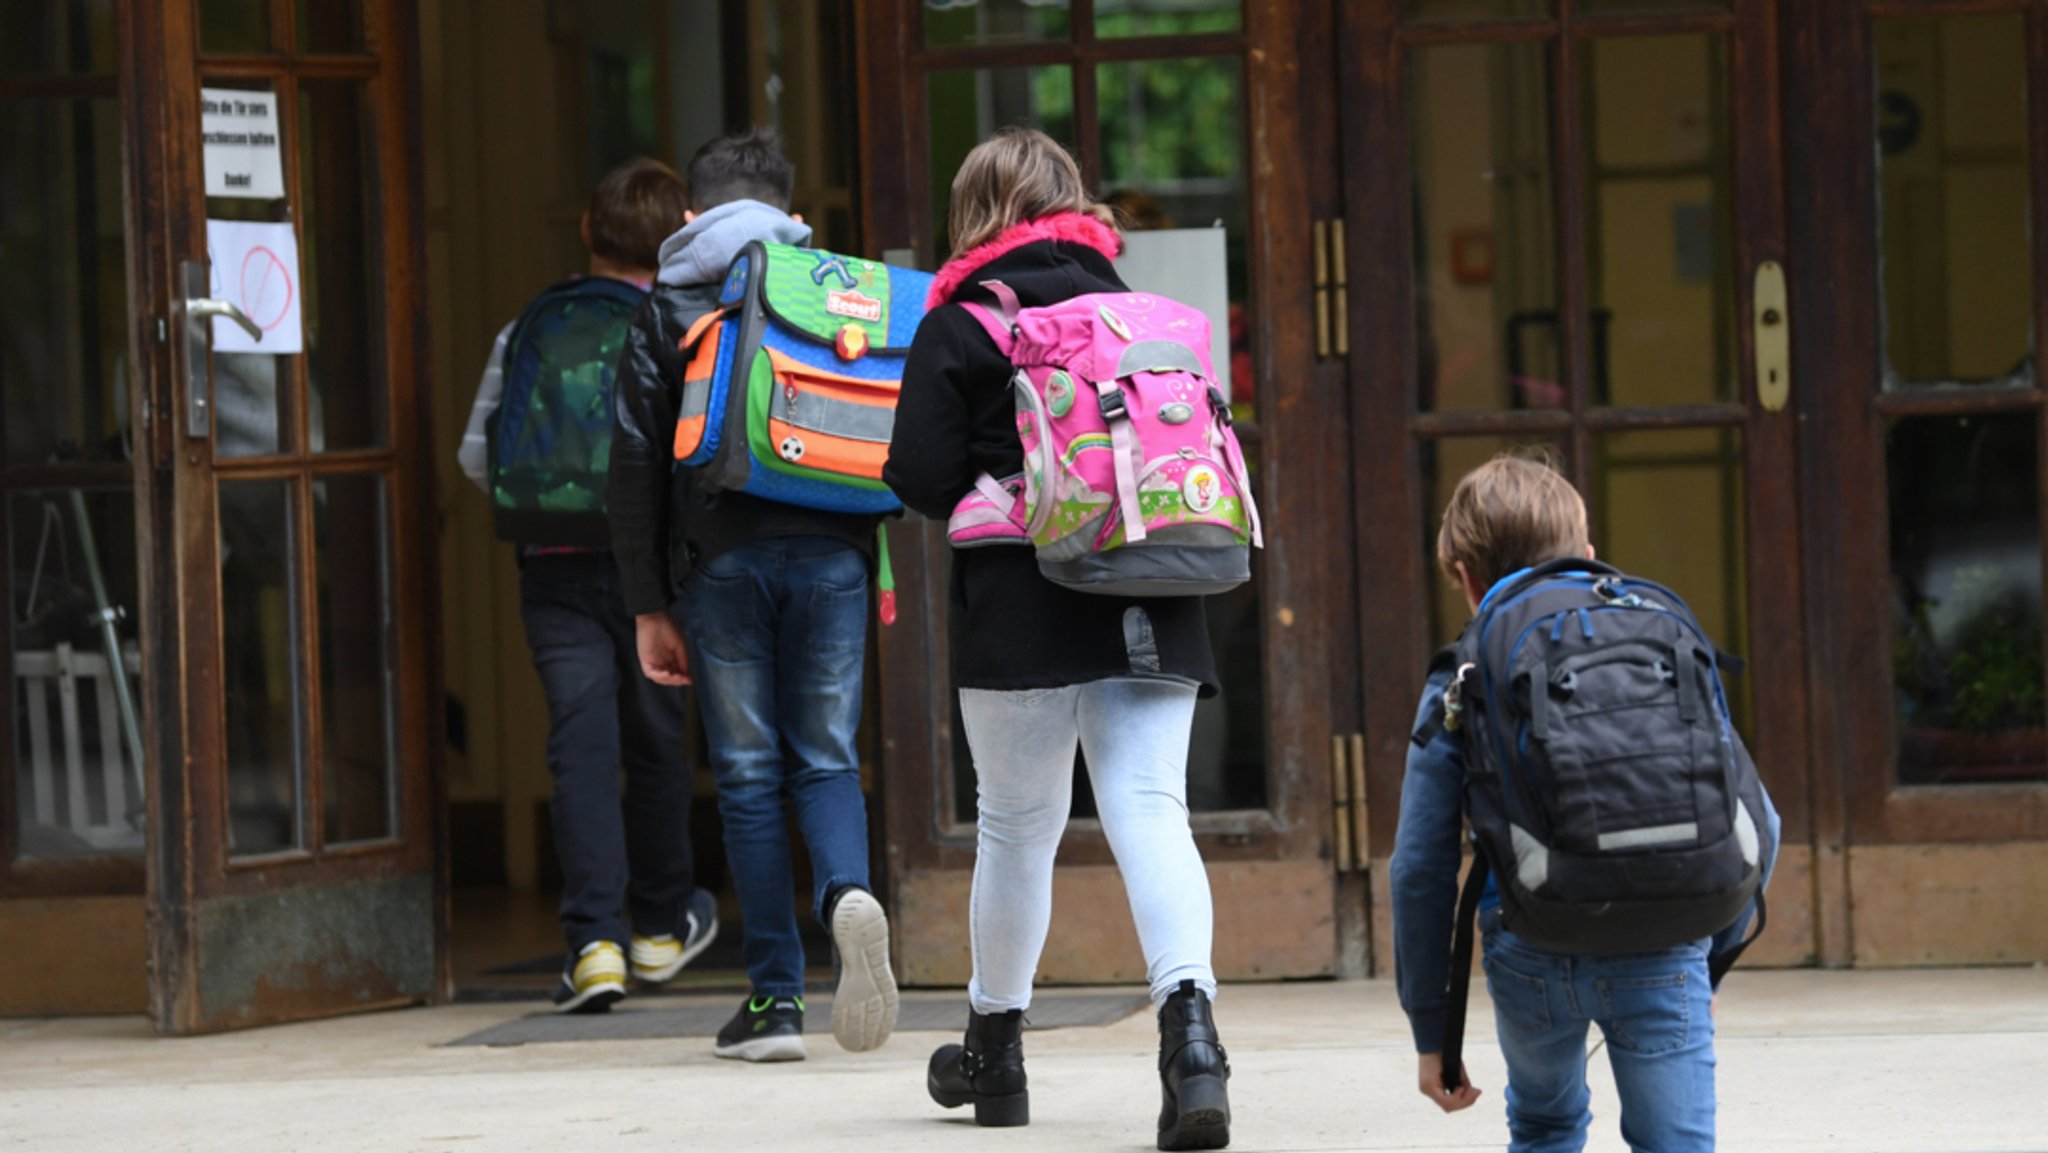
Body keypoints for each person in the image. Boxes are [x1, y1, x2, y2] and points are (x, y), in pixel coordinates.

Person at [884, 127, 1233, 1151]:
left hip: (1019, 593)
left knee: (1015, 825)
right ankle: (1193, 1043)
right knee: (1150, 805)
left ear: (976, 213)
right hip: (1156, 583)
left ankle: (994, 1053)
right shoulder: (1140, 314)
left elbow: (915, 476)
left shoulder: (961, 322)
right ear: (1075, 205)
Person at [1390, 452, 1781, 1152]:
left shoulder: (1466, 668)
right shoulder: (1660, 638)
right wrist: (1711, 949)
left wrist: (1433, 1033)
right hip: (1667, 940)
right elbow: (1761, 821)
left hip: (1530, 940)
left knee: (1544, 1126)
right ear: (1590, 554)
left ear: (1466, 579)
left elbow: (1420, 863)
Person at [609, 128, 899, 1063]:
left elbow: (634, 460)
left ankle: (775, 1002)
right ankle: (848, 889)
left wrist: (649, 601)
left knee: (744, 775)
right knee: (825, 756)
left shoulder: (669, 300)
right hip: (834, 550)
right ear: (790, 205)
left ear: (690, 215)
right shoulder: (832, 283)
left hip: (720, 559)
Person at [457, 158, 718, 1014]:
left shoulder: (529, 327)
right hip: (656, 574)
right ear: (680, 232)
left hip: (556, 572)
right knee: (655, 744)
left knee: (581, 747)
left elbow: (478, 457)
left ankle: (593, 944)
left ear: (585, 233)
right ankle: (659, 924)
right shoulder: (683, 325)